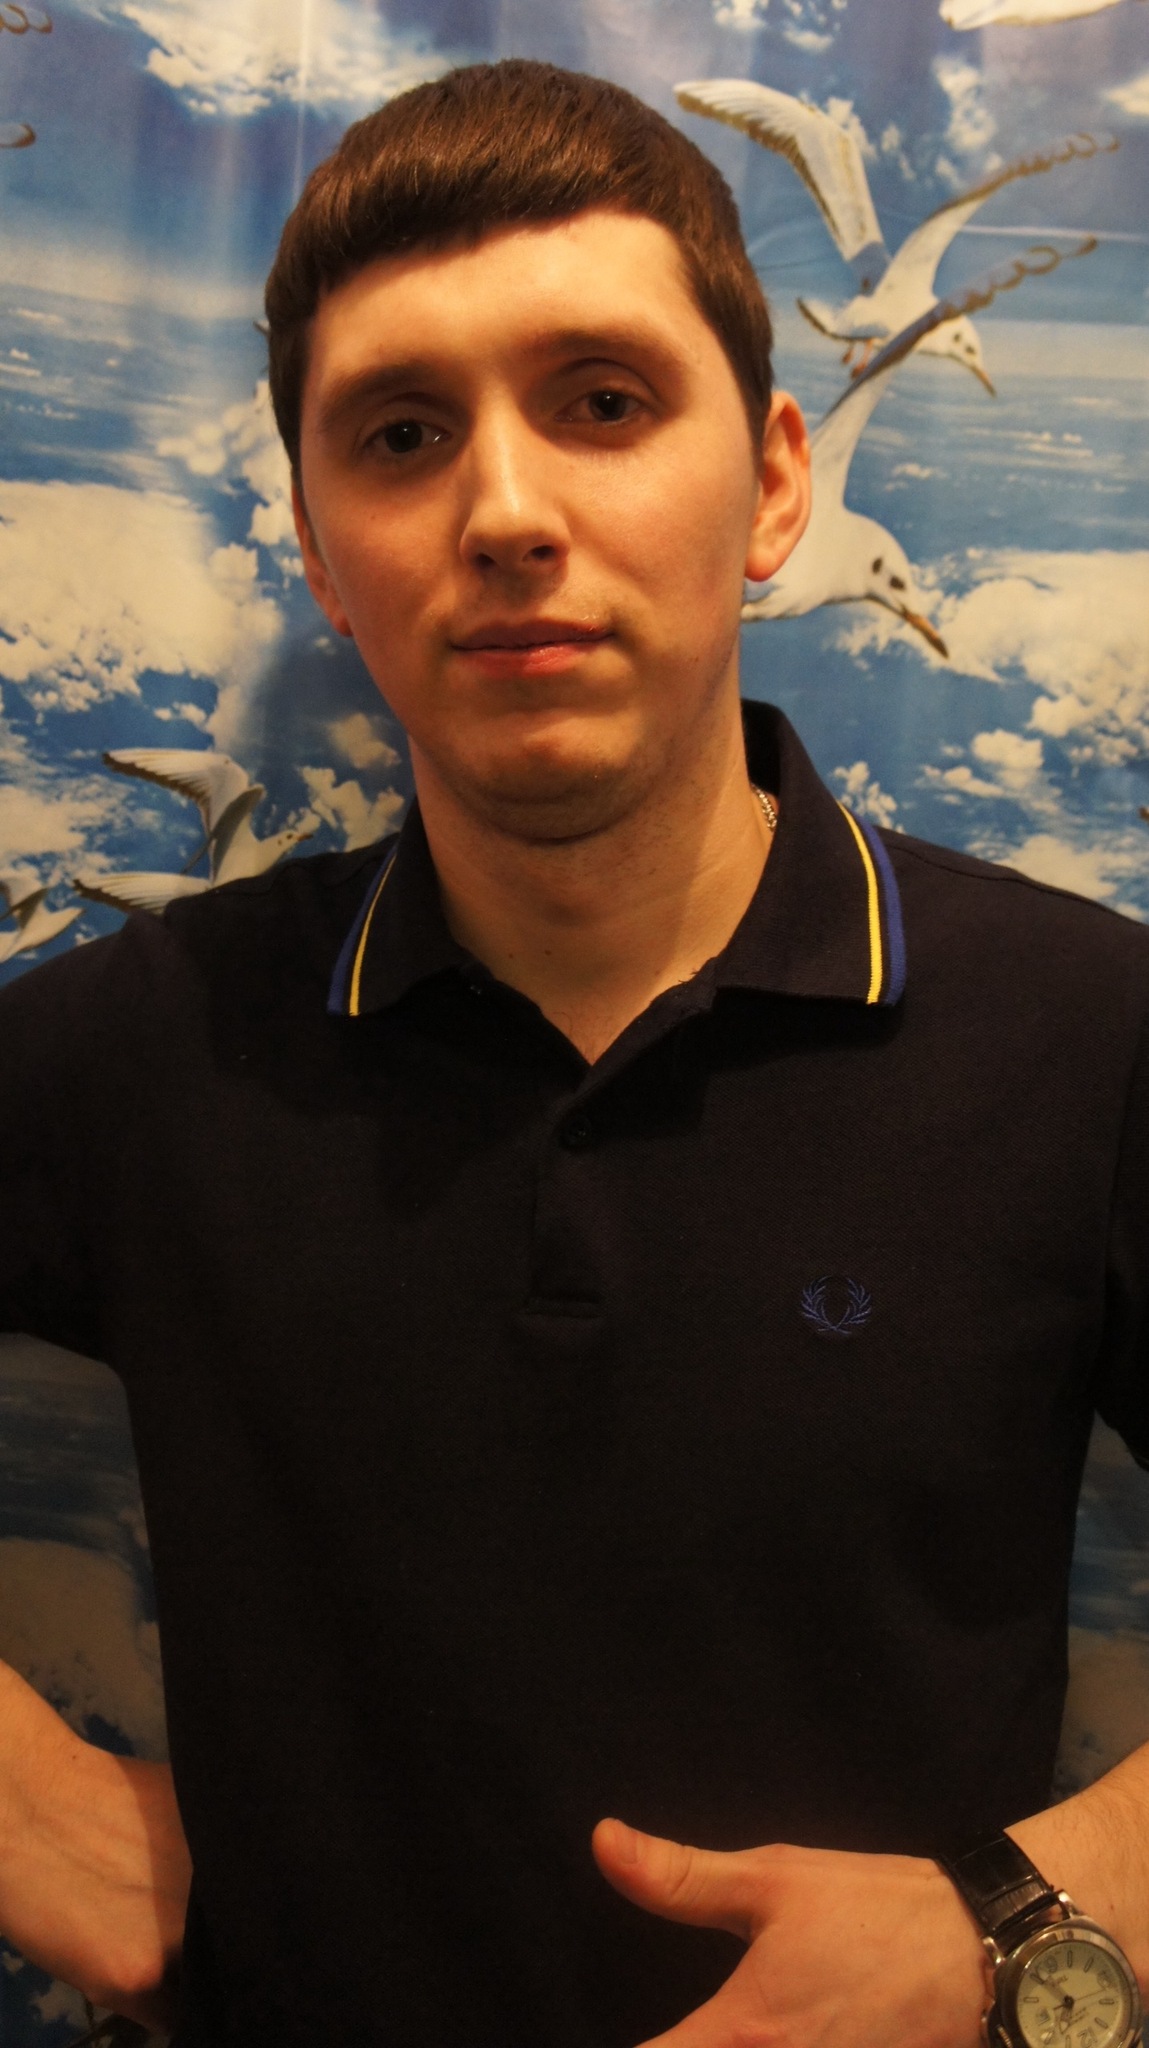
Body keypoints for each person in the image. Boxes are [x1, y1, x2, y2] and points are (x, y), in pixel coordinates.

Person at [0, 56, 1146, 2048]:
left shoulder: (1088, 1038)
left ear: (772, 482)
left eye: (601, 402)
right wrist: (28, 1813)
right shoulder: (152, 1049)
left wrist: (1018, 1923)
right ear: (319, 542)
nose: (507, 511)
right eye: (401, 434)